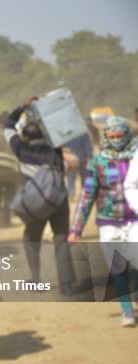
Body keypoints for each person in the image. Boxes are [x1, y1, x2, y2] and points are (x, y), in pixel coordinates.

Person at [70, 116, 137, 326]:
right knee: (117, 267)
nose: (116, 139)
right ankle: (127, 310)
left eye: (120, 135)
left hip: (135, 218)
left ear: (127, 135)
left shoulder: (136, 158)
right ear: (106, 136)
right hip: (108, 222)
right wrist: (76, 229)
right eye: (112, 135)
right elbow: (87, 196)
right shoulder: (97, 163)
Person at [5, 98, 76, 294]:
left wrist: (22, 106)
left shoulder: (20, 148)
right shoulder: (54, 147)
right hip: (59, 199)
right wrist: (43, 108)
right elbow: (60, 125)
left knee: (30, 239)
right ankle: (67, 285)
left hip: (36, 203)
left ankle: (36, 279)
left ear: (24, 136)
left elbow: (8, 125)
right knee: (60, 239)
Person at [0, 113, 20, 227]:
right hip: (12, 172)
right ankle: (7, 220)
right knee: (9, 196)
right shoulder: (15, 135)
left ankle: (0, 220)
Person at [65, 133, 93, 199]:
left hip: (71, 158)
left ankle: (71, 194)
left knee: (71, 178)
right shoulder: (83, 132)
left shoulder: (67, 133)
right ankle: (85, 195)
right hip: (82, 158)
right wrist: (90, 156)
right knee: (84, 178)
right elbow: (87, 145)